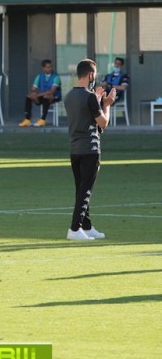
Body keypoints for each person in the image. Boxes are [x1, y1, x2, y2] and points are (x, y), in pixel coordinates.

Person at [64, 59, 116, 241]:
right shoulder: (89, 97)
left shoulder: (69, 96)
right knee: (85, 190)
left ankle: (86, 225)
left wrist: (97, 100)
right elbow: (103, 123)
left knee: (81, 189)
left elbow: (86, 118)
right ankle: (75, 228)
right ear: (91, 75)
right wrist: (106, 105)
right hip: (90, 149)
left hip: (75, 149)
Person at [19, 59, 61, 127]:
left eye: (51, 67)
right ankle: (27, 119)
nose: (50, 69)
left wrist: (38, 95)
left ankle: (42, 120)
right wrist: (32, 94)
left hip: (55, 96)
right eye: (48, 67)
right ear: (43, 68)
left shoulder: (56, 77)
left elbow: (52, 91)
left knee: (46, 96)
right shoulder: (39, 76)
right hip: (42, 96)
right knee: (28, 97)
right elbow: (33, 89)